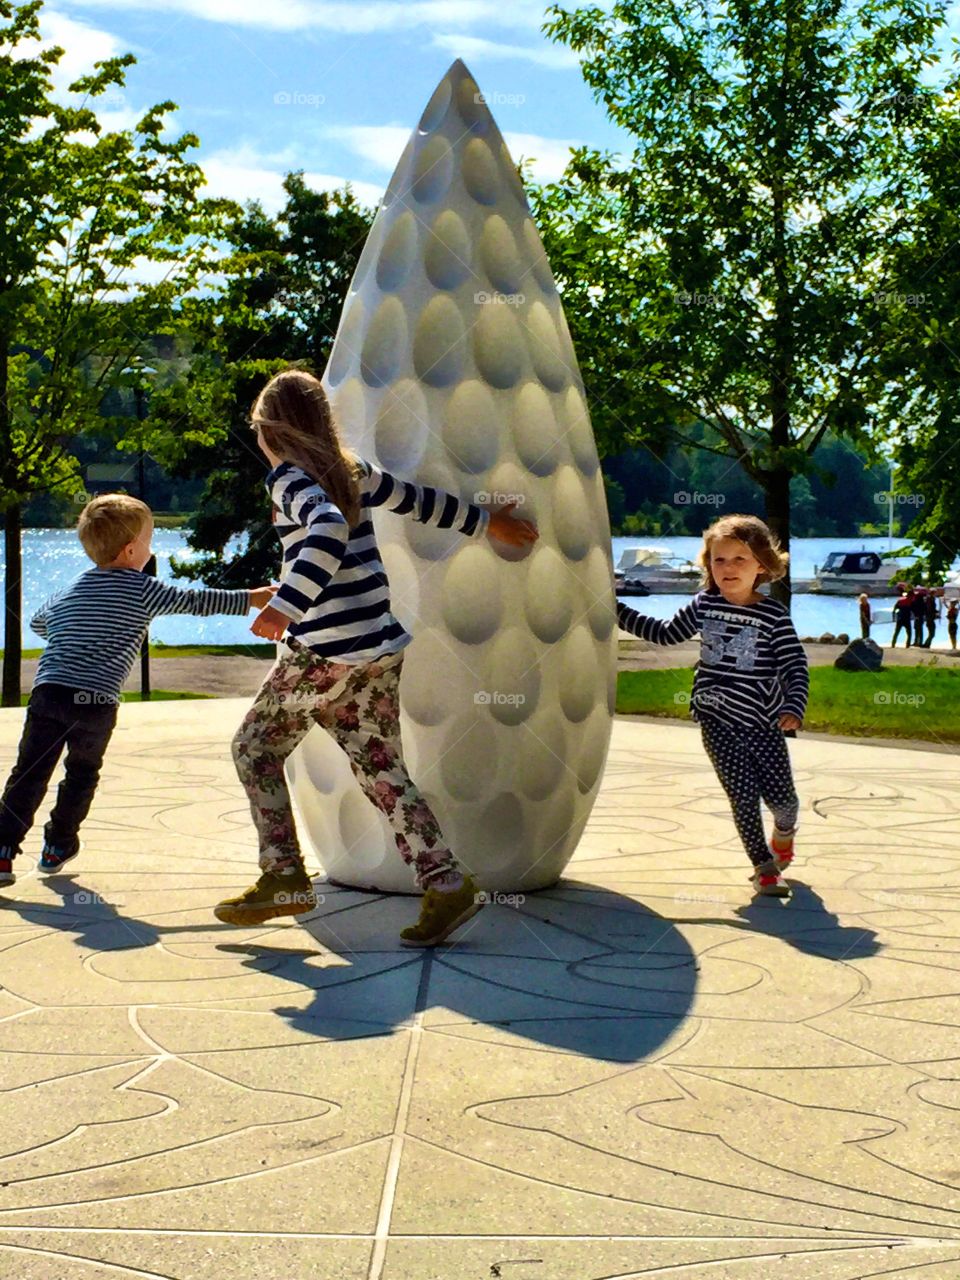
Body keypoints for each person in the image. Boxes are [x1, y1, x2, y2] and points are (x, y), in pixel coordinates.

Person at [214, 368, 538, 946]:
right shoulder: (350, 468)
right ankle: (445, 883)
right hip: (378, 650)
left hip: (324, 654)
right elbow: (419, 502)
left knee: (255, 749)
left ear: (271, 430)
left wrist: (287, 605)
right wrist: (491, 523)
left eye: (259, 428)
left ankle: (284, 876)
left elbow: (328, 528)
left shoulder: (289, 477)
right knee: (381, 767)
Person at [0, 494, 275, 887]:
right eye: (149, 540)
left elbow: (40, 623)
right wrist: (252, 598)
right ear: (131, 550)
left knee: (28, 772)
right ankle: (57, 845)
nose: (152, 548)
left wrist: (76, 634)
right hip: (95, 703)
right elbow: (195, 601)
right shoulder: (143, 588)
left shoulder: (73, 588)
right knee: (81, 774)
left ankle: (2, 851)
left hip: (49, 694)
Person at [616, 514, 808, 898]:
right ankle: (763, 866)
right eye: (719, 560)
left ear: (762, 565)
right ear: (709, 566)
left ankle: (784, 833)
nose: (728, 568)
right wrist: (613, 608)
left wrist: (793, 705)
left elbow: (794, 664)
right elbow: (665, 633)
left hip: (763, 722)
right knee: (742, 794)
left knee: (782, 800)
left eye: (740, 559)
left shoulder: (773, 616)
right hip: (715, 718)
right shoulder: (704, 604)